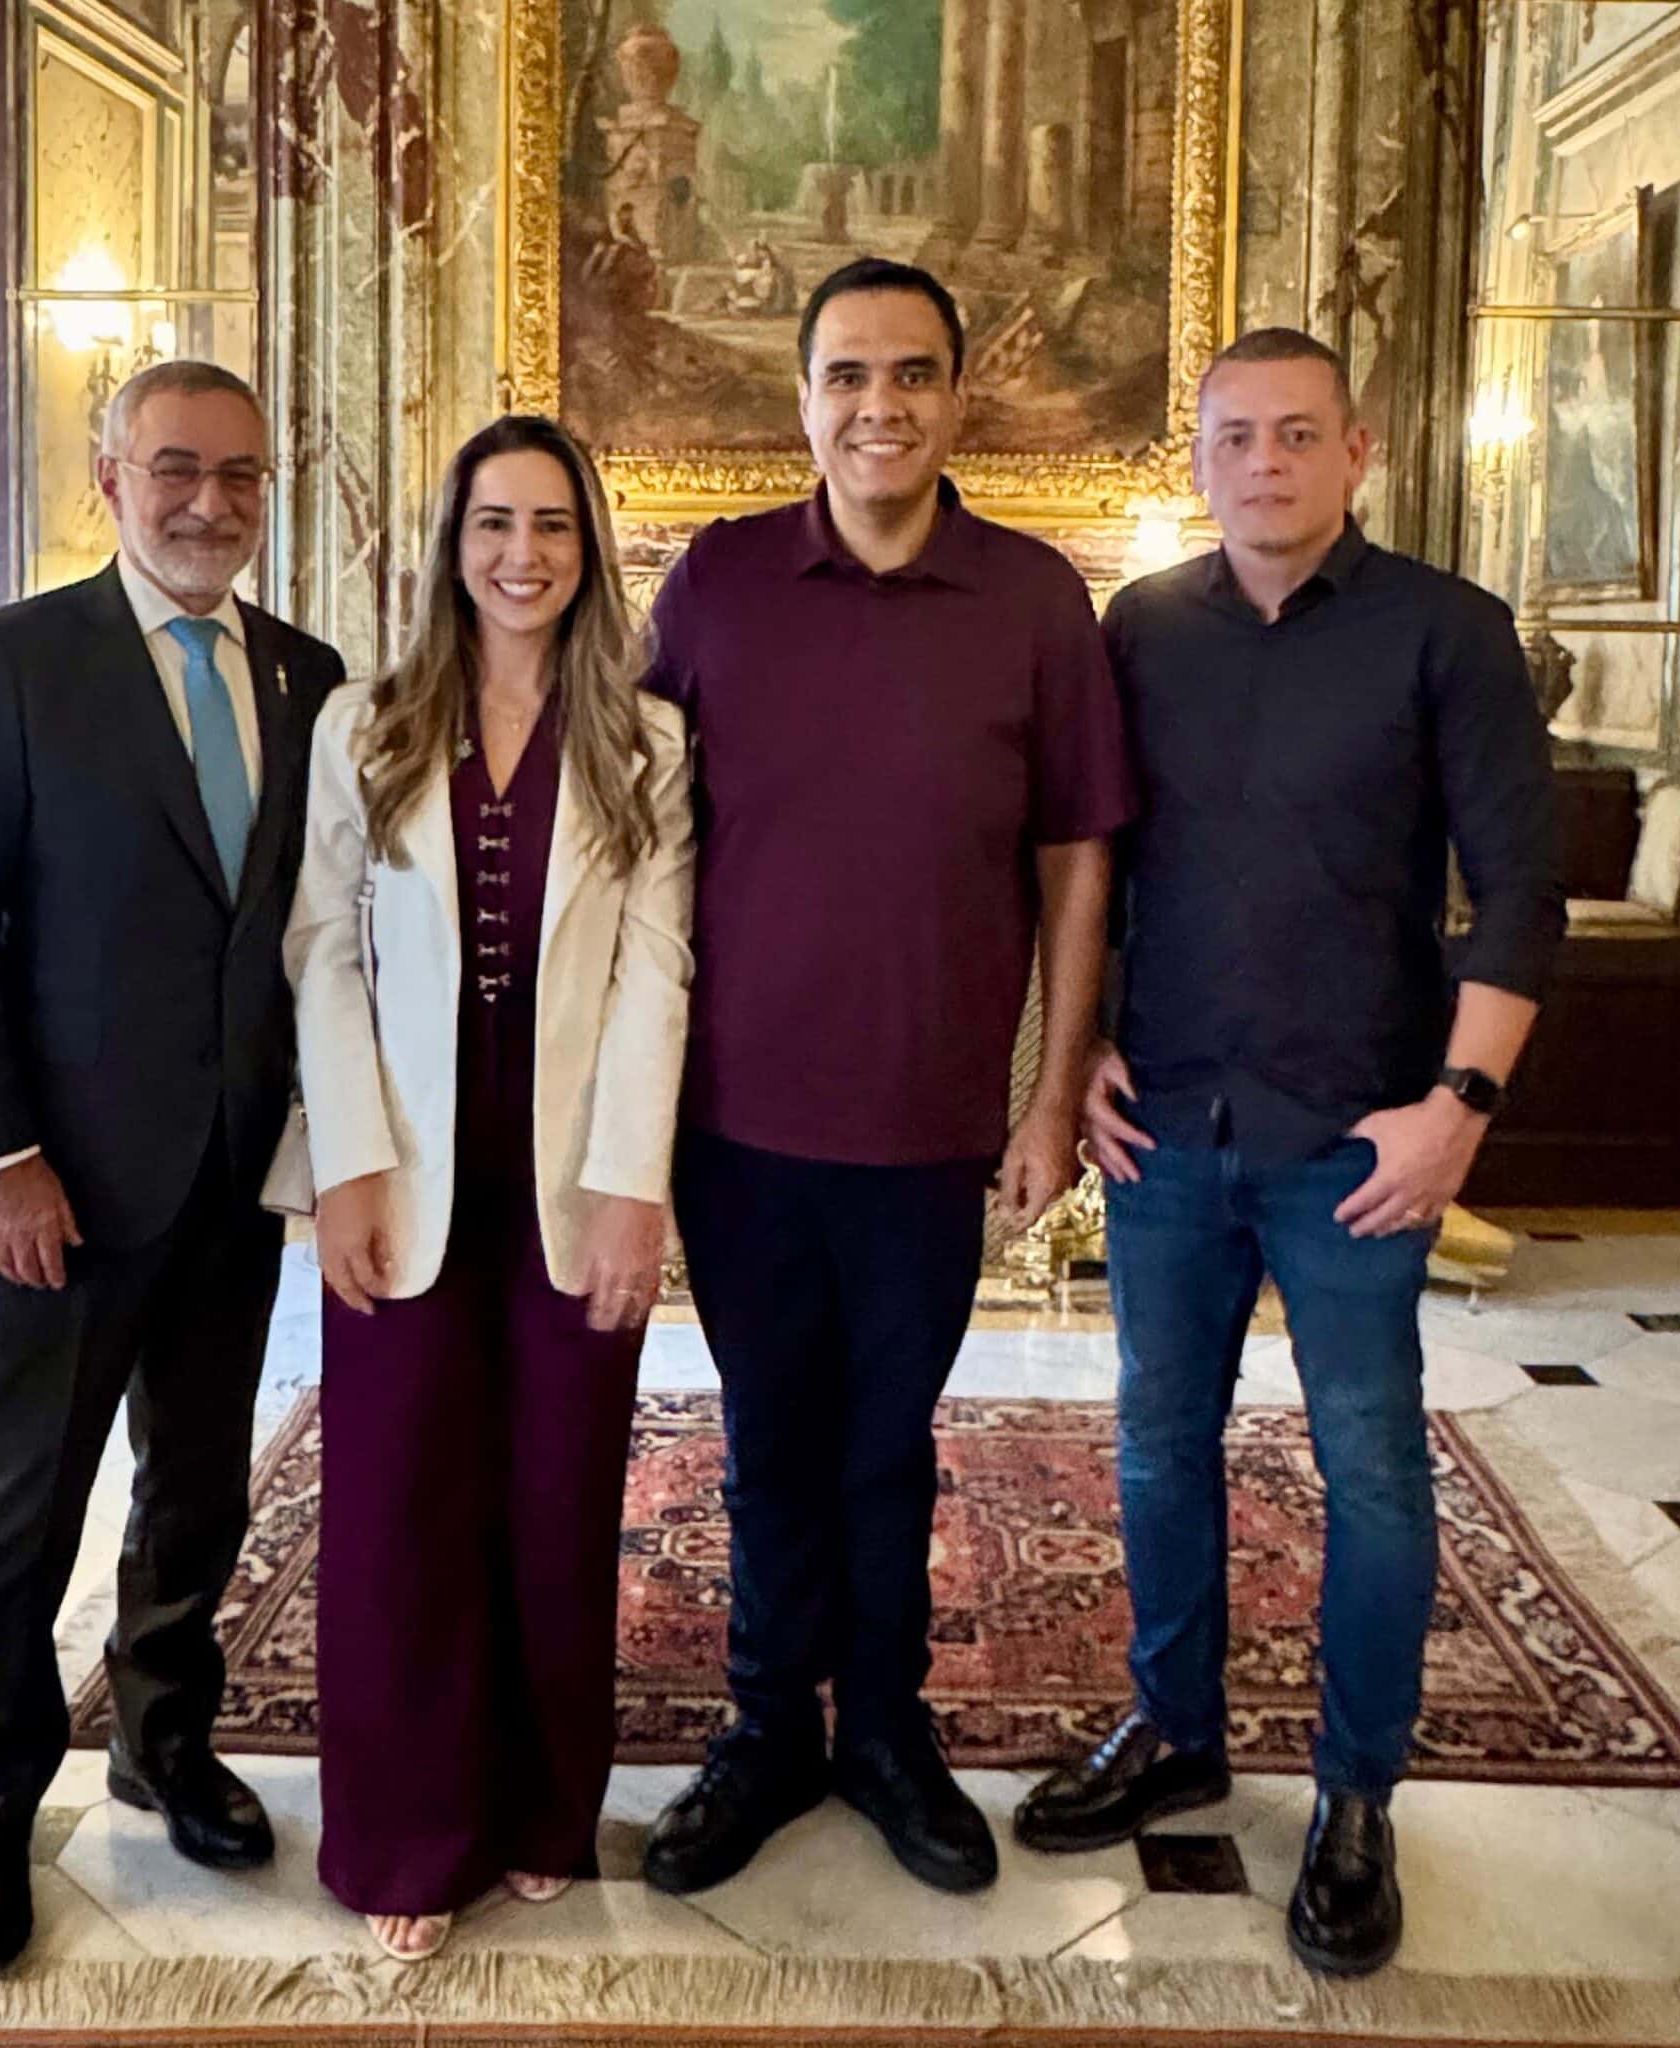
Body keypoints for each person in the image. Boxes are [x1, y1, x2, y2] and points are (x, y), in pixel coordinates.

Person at [1012, 328, 1563, 1977]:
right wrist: (1078, 1049)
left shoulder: (1446, 632)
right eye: (1235, 436)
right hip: (1167, 1127)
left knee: (1371, 1466)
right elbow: (1092, 863)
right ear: (1197, 460)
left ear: (1356, 452)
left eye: (1297, 433)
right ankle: (1174, 1729)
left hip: (1356, 1138)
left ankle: (1353, 1794)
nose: (1264, 462)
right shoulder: (1138, 630)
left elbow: (1518, 893)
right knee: (1156, 1446)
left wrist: (1456, 1108)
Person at [638, 257, 1133, 1900]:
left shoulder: (1033, 599)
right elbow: (630, 837)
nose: (879, 405)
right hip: (732, 1120)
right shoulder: (715, 584)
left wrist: (1048, 1100)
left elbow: (1076, 858)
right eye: (846, 374)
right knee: (771, 1433)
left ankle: (887, 1734)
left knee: (886, 1440)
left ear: (957, 397)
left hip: (930, 1123)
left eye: (911, 373)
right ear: (801, 399)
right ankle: (768, 1728)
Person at [0, 360, 345, 1974]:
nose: (209, 503)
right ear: (110, 479)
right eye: (175, 469)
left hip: (228, 1180)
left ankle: (164, 1737)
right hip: (55, 1188)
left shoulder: (308, 676)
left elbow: (302, 933)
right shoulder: (14, 660)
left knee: (200, 1487)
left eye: (239, 474)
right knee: (16, 1509)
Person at [288, 414, 694, 1961]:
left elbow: (659, 970)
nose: (522, 554)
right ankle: (405, 1832)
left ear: (589, 553)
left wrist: (632, 1190)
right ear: (451, 546)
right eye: (493, 524)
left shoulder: (647, 743)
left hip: (571, 1175)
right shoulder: (364, 725)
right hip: (403, 1166)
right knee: (398, 1501)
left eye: (551, 526)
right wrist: (347, 1165)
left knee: (555, 1493)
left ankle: (538, 1808)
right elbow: (322, 949)